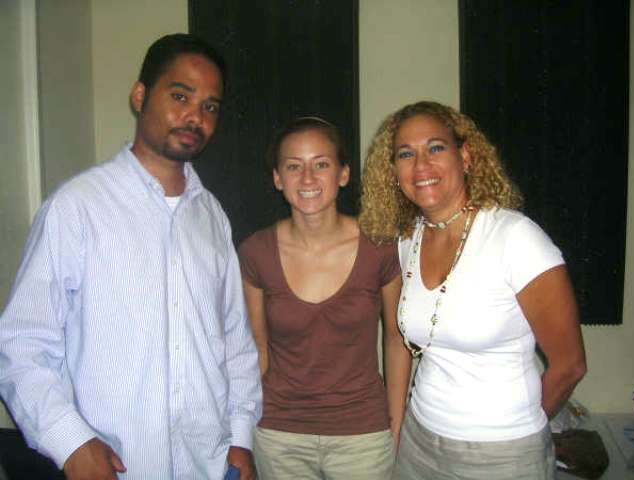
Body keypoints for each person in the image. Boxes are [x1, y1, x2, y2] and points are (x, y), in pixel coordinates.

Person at [0, 34, 262, 480]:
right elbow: (22, 343)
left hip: (210, 463)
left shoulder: (212, 217)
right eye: (180, 96)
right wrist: (71, 443)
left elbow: (234, 341)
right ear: (140, 96)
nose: (195, 117)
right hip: (116, 466)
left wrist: (240, 438)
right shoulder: (77, 207)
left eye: (210, 106)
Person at [359, 100, 587, 479]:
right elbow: (399, 339)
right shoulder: (408, 239)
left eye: (435, 147)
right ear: (394, 171)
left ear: (465, 157)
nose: (420, 165)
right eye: (405, 154)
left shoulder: (515, 238)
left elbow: (571, 365)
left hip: (503, 453)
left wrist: (519, 434)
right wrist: (397, 428)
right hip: (420, 438)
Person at [238, 117, 412, 479]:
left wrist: (396, 424)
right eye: (293, 166)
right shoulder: (256, 252)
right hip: (280, 435)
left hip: (362, 435)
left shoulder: (380, 247)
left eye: (321, 164)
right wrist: (244, 431)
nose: (307, 178)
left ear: (343, 174)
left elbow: (396, 341)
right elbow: (257, 348)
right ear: (277, 179)